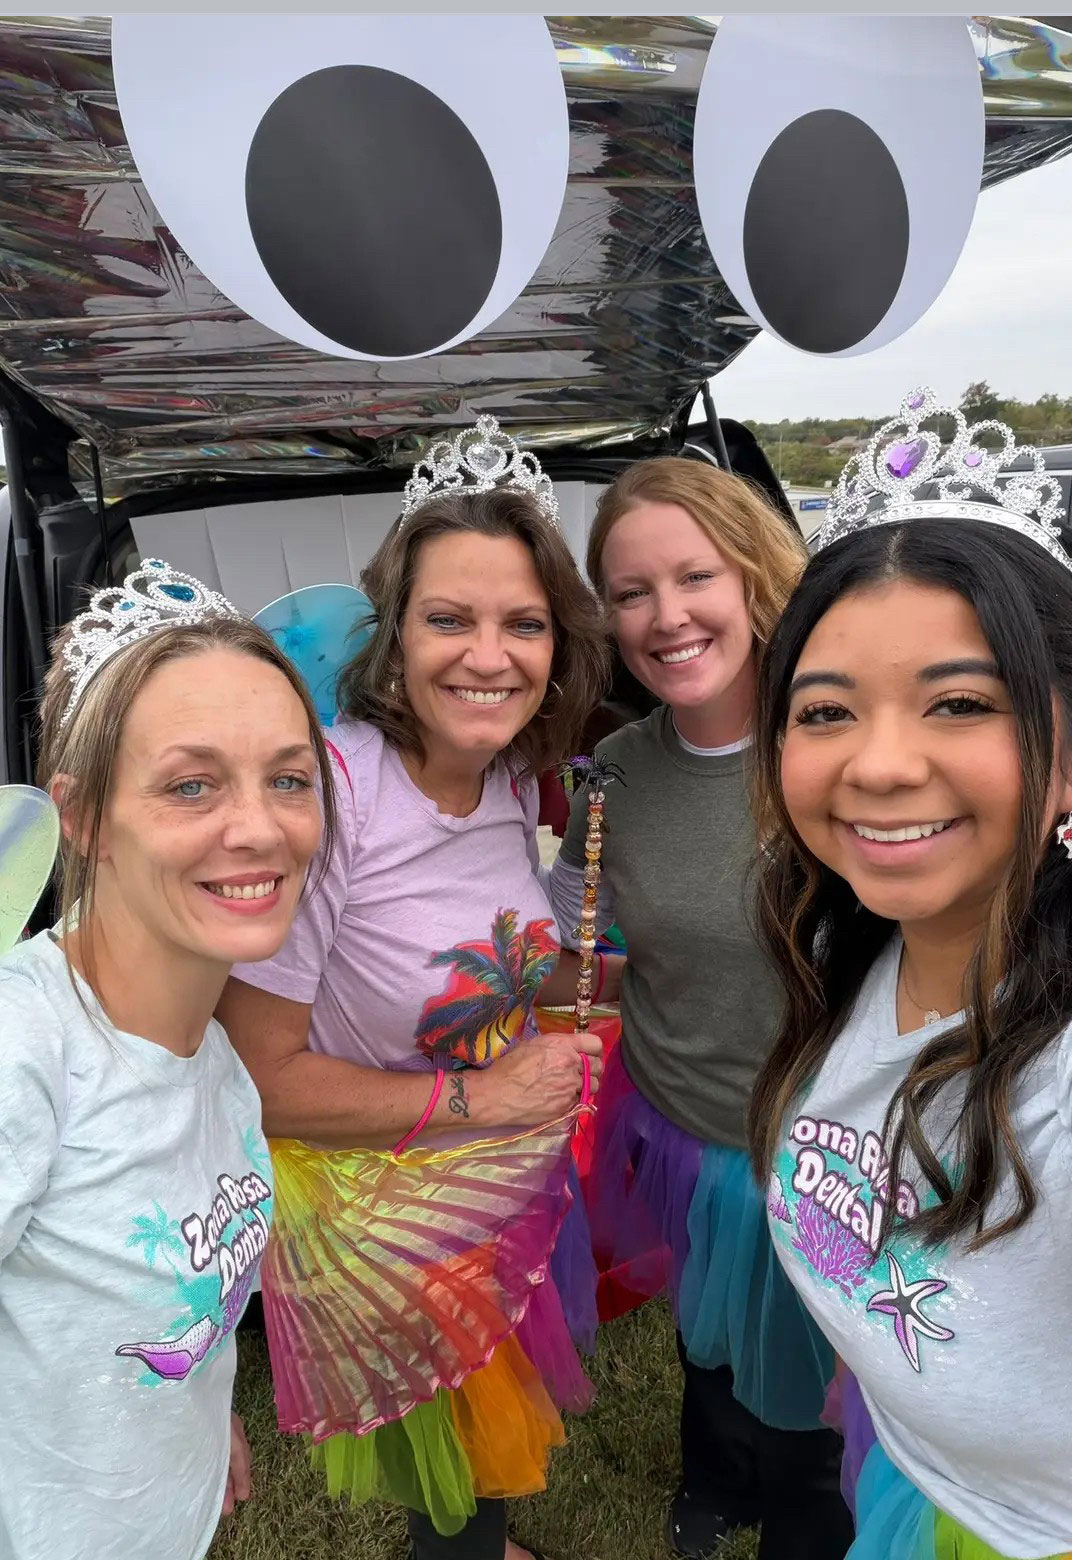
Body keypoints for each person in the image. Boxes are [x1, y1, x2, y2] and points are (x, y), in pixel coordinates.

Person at [751, 387, 1072, 1560]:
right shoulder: (856, 941)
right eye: (827, 710)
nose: (881, 765)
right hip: (917, 1490)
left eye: (961, 703)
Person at [217, 417, 615, 1560]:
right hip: (375, 1212)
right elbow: (263, 1082)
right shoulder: (327, 796)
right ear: (394, 638)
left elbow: (474, 947)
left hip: (476, 1182)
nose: (488, 656)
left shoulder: (501, 781)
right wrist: (484, 1106)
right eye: (450, 618)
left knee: (480, 1435)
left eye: (523, 624)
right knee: (444, 1455)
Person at [548, 457, 853, 1560]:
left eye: (694, 577)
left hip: (825, 1149)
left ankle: (807, 1524)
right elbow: (599, 950)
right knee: (708, 1330)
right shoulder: (612, 778)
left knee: (819, 1374)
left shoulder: (839, 741)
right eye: (631, 593)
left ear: (755, 573)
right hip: (676, 1125)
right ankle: (714, 1479)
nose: (665, 617)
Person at [0, 560, 334, 1559]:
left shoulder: (213, 1052)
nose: (259, 828)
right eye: (193, 785)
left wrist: (197, 1408)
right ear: (86, 816)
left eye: (288, 778)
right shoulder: (26, 1055)